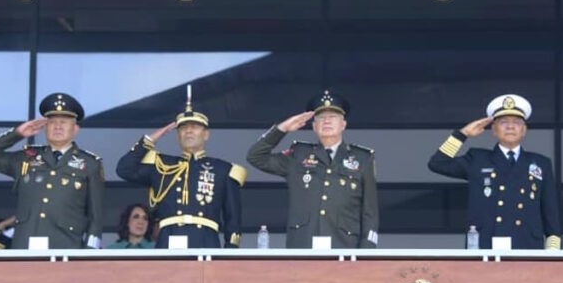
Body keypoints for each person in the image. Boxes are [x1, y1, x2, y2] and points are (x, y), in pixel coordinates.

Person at [247, 90, 379, 249]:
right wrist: (282, 129)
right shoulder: (298, 155)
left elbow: (369, 212)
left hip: (345, 248)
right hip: (302, 247)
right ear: (314, 126)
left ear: (343, 124)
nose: (327, 121)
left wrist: (366, 251)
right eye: (321, 118)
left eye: (333, 117)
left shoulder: (362, 159)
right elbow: (255, 157)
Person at [428, 93, 561, 250]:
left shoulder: (540, 163)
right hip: (485, 244)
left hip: (527, 245)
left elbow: (550, 211)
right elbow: (438, 163)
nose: (510, 127)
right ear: (493, 130)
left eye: (517, 122)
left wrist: (552, 253)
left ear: (524, 130)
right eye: (503, 122)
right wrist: (462, 134)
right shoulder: (477, 159)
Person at [116, 91, 245, 248]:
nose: (189, 131)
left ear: (206, 135)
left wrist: (229, 254)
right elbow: (124, 169)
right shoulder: (161, 165)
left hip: (206, 242)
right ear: (178, 136)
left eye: (195, 127)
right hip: (168, 241)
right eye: (183, 128)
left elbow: (233, 220)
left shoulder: (223, 170)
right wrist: (151, 139)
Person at [0, 92, 104, 250]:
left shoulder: (90, 164)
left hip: (67, 247)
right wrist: (17, 134)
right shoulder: (27, 158)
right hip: (25, 246)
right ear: (45, 127)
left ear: (75, 129)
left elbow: (95, 216)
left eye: (64, 122)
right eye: (52, 122)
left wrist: (90, 251)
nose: (57, 126)